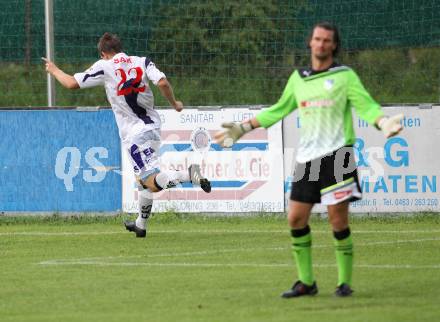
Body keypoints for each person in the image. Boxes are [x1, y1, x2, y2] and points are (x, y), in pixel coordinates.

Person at [215, 22, 403, 297]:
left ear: (334, 45)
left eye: (327, 40)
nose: (322, 44)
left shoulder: (345, 76)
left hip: (339, 156)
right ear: (310, 43)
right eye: (318, 39)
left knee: (337, 221)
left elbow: (365, 105)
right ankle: (306, 282)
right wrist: (243, 128)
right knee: (296, 218)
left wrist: (382, 121)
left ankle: (344, 283)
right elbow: (278, 109)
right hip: (308, 159)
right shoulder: (298, 78)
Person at [43, 32, 211, 238]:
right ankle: (141, 225)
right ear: (120, 48)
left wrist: (53, 69)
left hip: (135, 134)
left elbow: (70, 83)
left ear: (104, 54)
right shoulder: (142, 61)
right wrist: (175, 104)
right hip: (153, 128)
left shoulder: (104, 66)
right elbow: (163, 83)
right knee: (143, 180)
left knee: (149, 180)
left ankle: (188, 174)